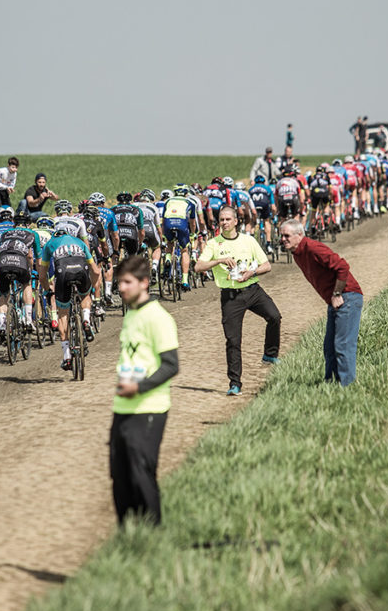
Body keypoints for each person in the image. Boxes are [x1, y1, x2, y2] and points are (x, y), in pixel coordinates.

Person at [111, 255, 179, 526]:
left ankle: (153, 535)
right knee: (120, 477)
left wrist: (138, 387)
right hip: (123, 407)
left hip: (149, 407)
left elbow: (171, 365)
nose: (121, 288)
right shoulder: (132, 315)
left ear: (144, 283)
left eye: (127, 282)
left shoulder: (158, 318)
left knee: (141, 474)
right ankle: (128, 537)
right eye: (119, 283)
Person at [194, 206, 281, 396]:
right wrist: (218, 261)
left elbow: (266, 265)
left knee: (274, 316)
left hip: (252, 290)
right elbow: (198, 266)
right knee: (233, 341)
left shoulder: (248, 240)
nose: (224, 223)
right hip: (231, 297)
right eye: (221, 220)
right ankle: (235, 384)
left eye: (227, 219)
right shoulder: (213, 244)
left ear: (235, 221)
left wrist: (252, 272)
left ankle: (270, 354)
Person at [280, 218, 363, 385]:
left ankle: (346, 386)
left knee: (342, 344)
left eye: (287, 236)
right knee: (330, 347)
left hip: (347, 296)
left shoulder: (313, 247)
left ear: (299, 235)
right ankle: (330, 384)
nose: (283, 239)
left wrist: (338, 293)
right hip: (334, 300)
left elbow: (342, 266)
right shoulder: (297, 254)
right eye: (281, 236)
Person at [39, 223, 99, 371]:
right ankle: (85, 320)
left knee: (63, 314)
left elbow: (42, 275)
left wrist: (48, 291)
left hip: (62, 272)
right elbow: (96, 271)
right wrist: (92, 287)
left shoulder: (49, 244)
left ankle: (66, 357)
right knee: (85, 297)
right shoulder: (79, 241)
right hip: (81, 270)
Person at [0, 213, 42, 342]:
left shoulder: (4, 233)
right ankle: (28, 319)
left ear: (14, 223)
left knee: (3, 294)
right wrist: (32, 270)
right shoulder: (32, 234)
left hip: (2, 263)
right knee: (26, 284)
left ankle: (2, 326)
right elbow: (32, 257)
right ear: (29, 223)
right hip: (20, 262)